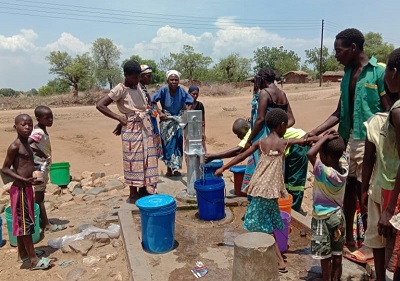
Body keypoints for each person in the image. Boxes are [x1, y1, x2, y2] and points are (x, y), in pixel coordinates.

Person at [306, 28, 391, 250]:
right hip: (347, 139)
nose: (336, 55)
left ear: (353, 48)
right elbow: (339, 112)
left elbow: (388, 112)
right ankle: (348, 238)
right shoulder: (347, 74)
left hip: (368, 141)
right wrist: (314, 131)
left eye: (338, 50)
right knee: (348, 189)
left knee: (366, 191)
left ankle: (367, 244)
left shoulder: (377, 73)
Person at [215, 108, 316, 273]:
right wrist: (324, 137)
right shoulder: (284, 143)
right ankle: (273, 256)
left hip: (261, 188)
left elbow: (241, 156)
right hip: (270, 190)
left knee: (262, 226)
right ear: (282, 125)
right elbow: (305, 140)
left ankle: (279, 263)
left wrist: (224, 168)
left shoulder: (260, 142)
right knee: (265, 224)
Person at [96, 60, 158, 203]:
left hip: (144, 125)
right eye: (134, 78)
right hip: (132, 129)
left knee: (146, 157)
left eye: (138, 77)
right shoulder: (120, 89)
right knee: (133, 159)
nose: (137, 80)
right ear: (126, 75)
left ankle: (144, 188)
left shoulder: (138, 88)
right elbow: (100, 105)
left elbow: (139, 108)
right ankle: (133, 194)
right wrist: (118, 118)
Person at [2, 114, 55, 270]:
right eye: (23, 125)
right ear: (15, 127)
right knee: (26, 225)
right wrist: (23, 179)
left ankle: (23, 253)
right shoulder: (15, 146)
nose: (27, 127)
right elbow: (4, 169)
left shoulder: (26, 144)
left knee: (24, 222)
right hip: (20, 190)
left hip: (27, 188)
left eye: (30, 125)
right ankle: (33, 260)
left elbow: (27, 162)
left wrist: (37, 167)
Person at [242, 68, 295, 191]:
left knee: (260, 171)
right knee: (273, 170)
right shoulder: (282, 94)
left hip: (263, 138)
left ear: (261, 79)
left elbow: (260, 119)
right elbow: (291, 120)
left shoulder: (265, 93)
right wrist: (278, 129)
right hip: (277, 139)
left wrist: (249, 140)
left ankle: (258, 201)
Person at [307, 131, 348, 281]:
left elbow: (310, 154)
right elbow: (339, 150)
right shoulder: (344, 167)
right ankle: (335, 278)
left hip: (322, 219)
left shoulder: (323, 172)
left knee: (324, 255)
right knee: (337, 253)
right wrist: (327, 139)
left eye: (322, 154)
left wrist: (324, 138)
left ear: (325, 156)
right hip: (338, 216)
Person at [375, 47, 400, 280]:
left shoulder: (398, 111)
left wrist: (390, 208)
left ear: (394, 72)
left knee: (396, 255)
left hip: (395, 190)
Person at [29, 105, 66, 234]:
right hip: (39, 167)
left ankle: (41, 221)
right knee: (39, 197)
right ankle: (46, 224)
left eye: (51, 117)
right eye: (47, 118)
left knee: (39, 196)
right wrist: (41, 153)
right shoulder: (38, 132)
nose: (51, 120)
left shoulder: (41, 129)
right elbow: (28, 143)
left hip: (42, 166)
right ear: (38, 119)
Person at [151, 70, 194, 177]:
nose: (174, 82)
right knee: (168, 145)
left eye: (176, 80)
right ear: (167, 80)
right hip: (166, 121)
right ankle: (169, 169)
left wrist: (185, 113)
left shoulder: (181, 90)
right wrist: (160, 112)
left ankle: (176, 169)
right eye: (171, 80)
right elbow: (152, 101)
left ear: (179, 81)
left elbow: (190, 101)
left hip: (178, 121)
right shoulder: (163, 90)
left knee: (178, 144)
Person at [283, 127, 310, 213]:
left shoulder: (256, 135)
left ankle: (294, 209)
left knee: (296, 181)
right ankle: (287, 204)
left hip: (299, 145)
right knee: (286, 180)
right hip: (292, 145)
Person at [188, 85, 206, 153]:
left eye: (197, 94)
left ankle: (201, 164)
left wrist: (203, 132)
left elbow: (203, 120)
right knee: (189, 149)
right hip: (188, 131)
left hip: (198, 131)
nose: (195, 96)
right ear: (189, 93)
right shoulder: (185, 105)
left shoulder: (200, 105)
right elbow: (184, 118)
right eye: (193, 94)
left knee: (201, 149)